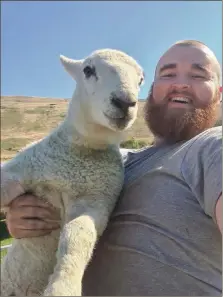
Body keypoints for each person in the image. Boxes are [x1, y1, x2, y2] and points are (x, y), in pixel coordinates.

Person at [5, 40, 222, 296]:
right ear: (151, 90)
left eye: (198, 75)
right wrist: (24, 216)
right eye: (168, 74)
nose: (181, 83)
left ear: (219, 93)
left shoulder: (213, 148)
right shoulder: (112, 160)